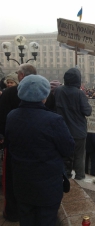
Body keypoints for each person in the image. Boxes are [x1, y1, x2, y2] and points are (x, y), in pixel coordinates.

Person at [5, 75, 75, 226]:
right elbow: (68, 148)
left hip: (21, 183)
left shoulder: (11, 116)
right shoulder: (53, 120)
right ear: (44, 96)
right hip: (47, 186)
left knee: (26, 219)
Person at [0, 63, 37, 222]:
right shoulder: (42, 92)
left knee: (10, 178)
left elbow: (2, 118)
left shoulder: (9, 93)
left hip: (13, 144)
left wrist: (3, 138)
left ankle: (12, 212)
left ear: (21, 76)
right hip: (36, 144)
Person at [54, 68, 92, 180]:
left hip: (63, 130)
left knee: (66, 155)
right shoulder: (79, 93)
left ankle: (66, 177)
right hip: (78, 131)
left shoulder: (58, 90)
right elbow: (87, 111)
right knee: (79, 156)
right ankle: (80, 178)